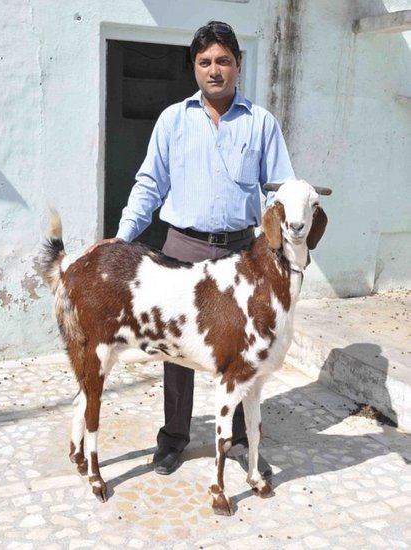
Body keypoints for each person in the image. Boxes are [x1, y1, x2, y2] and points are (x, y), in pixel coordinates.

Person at [92, 21, 295, 475]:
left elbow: (277, 192)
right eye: (205, 62)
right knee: (177, 349)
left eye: (223, 60)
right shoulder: (173, 119)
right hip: (182, 250)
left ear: (238, 64)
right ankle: (175, 438)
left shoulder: (262, 124)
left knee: (248, 347)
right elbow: (149, 184)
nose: (214, 70)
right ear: (195, 69)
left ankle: (241, 437)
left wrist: (278, 252)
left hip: (244, 255)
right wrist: (122, 239)